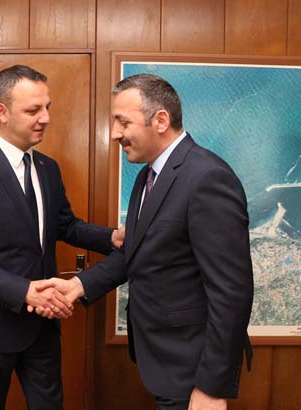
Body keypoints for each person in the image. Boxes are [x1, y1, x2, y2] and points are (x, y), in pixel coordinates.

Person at [36, 74, 254, 410]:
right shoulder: (146, 177)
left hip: (193, 369)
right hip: (164, 361)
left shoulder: (208, 177)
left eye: (123, 122)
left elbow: (232, 291)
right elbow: (136, 253)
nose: (114, 133)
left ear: (161, 120)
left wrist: (211, 387)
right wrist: (77, 286)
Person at [0, 64, 124, 410]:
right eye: (33, 110)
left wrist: (112, 237)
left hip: (42, 329)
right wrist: (23, 290)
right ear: (2, 111)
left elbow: (65, 226)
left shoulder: (47, 168)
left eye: (47, 108)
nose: (45, 118)